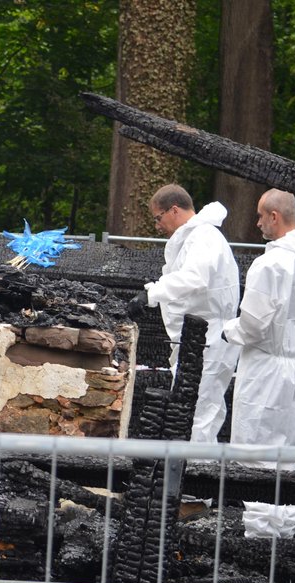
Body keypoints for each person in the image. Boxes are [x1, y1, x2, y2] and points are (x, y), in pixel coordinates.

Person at [127, 184, 240, 444]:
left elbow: (194, 277)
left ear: (174, 210)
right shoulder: (197, 237)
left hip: (208, 341)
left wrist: (151, 295)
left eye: (158, 217)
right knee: (201, 414)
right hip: (203, 340)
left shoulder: (203, 237)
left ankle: (194, 479)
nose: (157, 226)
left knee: (196, 416)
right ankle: (196, 476)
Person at [222, 189, 295, 470]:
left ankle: (261, 515)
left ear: (274, 216)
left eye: (260, 216)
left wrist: (229, 330)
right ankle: (287, 514)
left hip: (266, 369)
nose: (258, 223)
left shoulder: (270, 263)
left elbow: (253, 325)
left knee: (255, 452)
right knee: (285, 451)